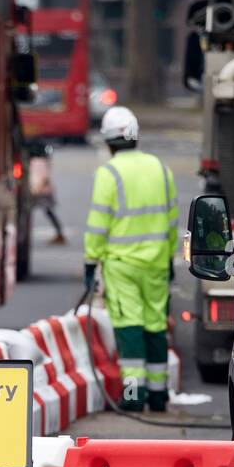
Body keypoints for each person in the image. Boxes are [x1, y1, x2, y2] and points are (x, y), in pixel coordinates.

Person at [83, 106, 179, 412]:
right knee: (155, 326)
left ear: (109, 141)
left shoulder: (109, 173)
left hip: (122, 266)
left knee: (129, 327)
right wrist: (168, 261)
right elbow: (172, 220)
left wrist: (90, 261)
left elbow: (99, 223)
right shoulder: (160, 169)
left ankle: (133, 393)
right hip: (156, 264)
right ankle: (159, 393)